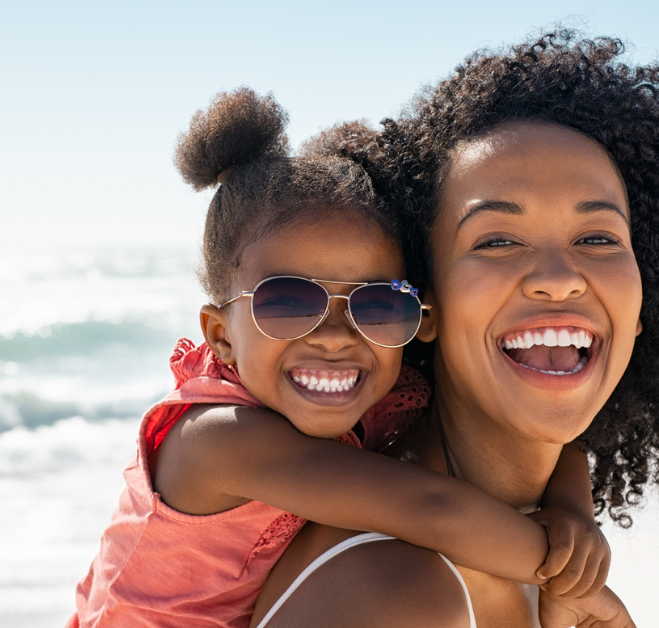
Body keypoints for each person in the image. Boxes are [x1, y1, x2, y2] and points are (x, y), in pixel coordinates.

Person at [253, 31, 659, 628]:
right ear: (425, 309)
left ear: (644, 308)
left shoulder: (534, 537)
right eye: (496, 240)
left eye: (597, 238)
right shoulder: (397, 593)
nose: (558, 278)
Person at [68, 88, 613, 628]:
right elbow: (431, 509)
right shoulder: (217, 438)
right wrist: (583, 588)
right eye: (286, 302)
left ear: (419, 320)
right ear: (221, 335)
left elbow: (542, 430)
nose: (334, 336)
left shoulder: (382, 392)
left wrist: (571, 512)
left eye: (376, 305)